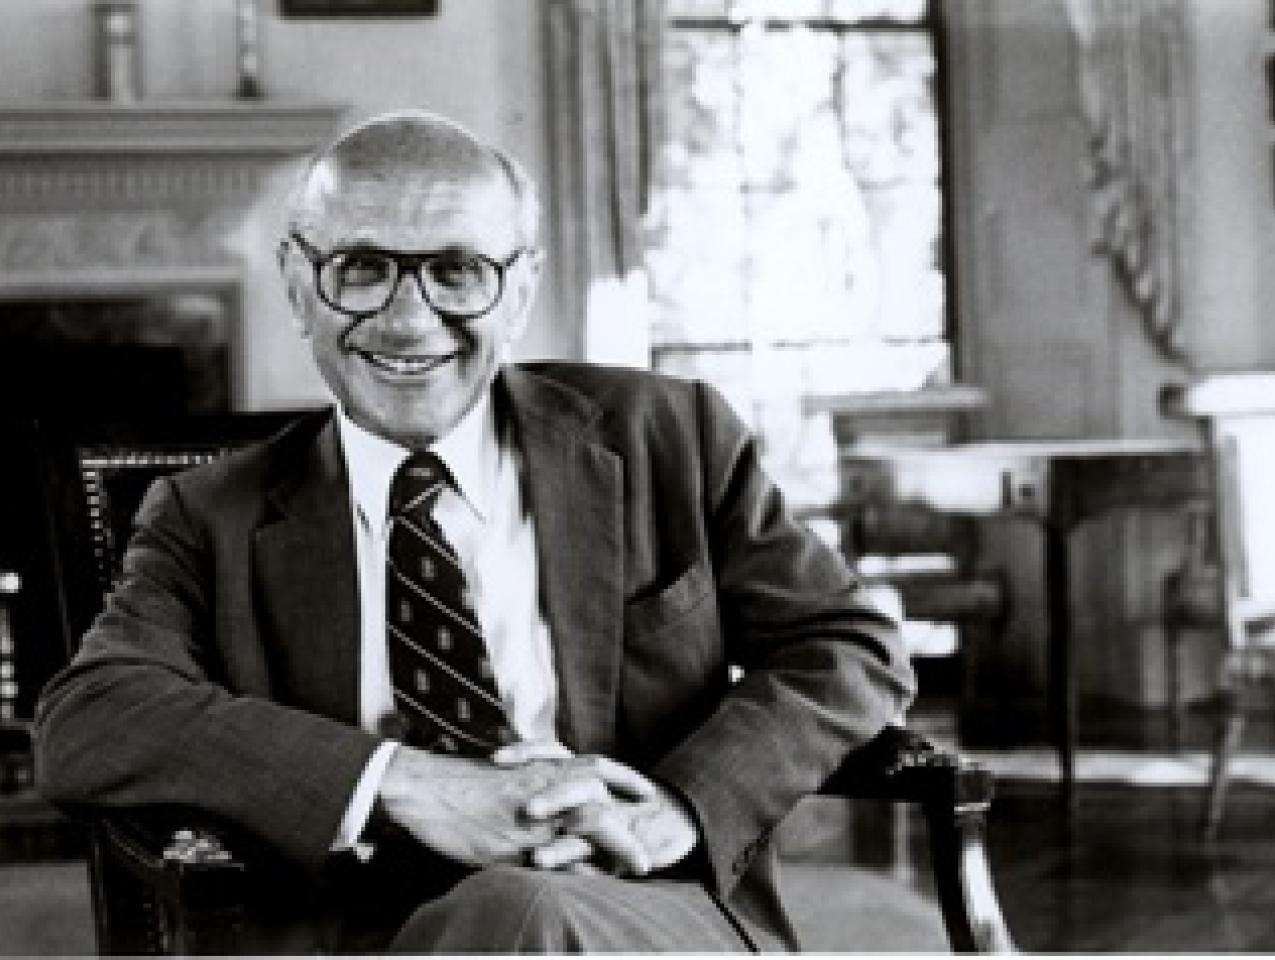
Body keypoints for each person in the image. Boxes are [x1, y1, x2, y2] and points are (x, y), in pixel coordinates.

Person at [33, 109, 915, 953]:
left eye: (457, 271)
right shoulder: (210, 515)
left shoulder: (667, 439)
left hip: (642, 914)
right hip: (354, 936)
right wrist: (409, 784)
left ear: (519, 289)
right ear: (298, 285)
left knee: (521, 909)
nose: (408, 319)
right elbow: (88, 718)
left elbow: (849, 644)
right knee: (509, 914)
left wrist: (678, 807)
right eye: (361, 268)